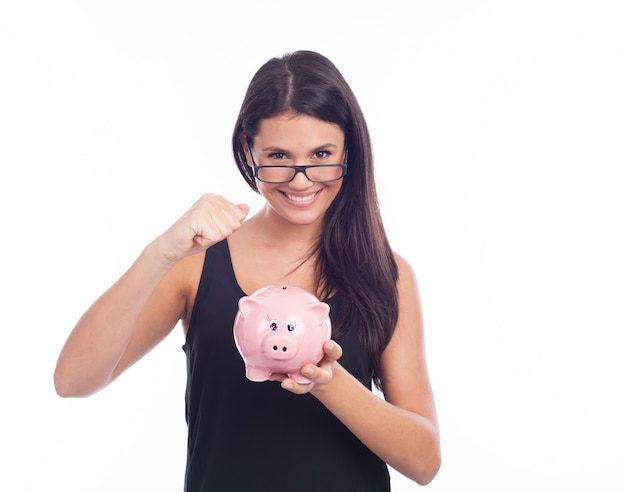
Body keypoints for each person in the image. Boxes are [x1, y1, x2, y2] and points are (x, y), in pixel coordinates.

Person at [54, 50, 441, 491]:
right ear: (246, 149)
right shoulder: (198, 262)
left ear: (348, 150)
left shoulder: (387, 274)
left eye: (321, 154)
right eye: (278, 154)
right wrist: (159, 253)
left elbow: (424, 461)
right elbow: (73, 380)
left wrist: (326, 382)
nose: (301, 180)